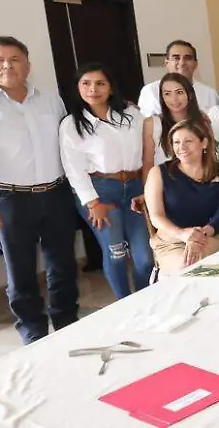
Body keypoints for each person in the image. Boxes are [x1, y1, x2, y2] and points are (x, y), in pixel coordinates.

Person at [0, 36, 79, 343]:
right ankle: (33, 330)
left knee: (62, 263)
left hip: (56, 193)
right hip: (9, 198)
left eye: (15, 59)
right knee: (20, 270)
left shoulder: (49, 100)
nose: (7, 65)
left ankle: (67, 321)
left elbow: (67, 143)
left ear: (28, 65)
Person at [58, 63, 153, 300]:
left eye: (100, 83)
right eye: (86, 83)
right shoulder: (71, 125)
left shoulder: (131, 115)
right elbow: (74, 169)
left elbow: (152, 139)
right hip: (100, 193)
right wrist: (93, 204)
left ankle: (144, 301)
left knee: (144, 257)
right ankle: (125, 304)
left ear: (111, 87)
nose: (93, 89)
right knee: (116, 254)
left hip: (135, 189)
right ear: (78, 88)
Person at [143, 119, 219, 273]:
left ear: (204, 143)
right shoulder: (158, 173)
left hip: (211, 236)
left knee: (204, 262)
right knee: (187, 266)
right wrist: (182, 234)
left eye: (188, 141)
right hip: (172, 239)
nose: (182, 147)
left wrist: (198, 236)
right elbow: (156, 216)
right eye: (176, 142)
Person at [142, 73, 210, 174]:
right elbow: (148, 165)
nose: (174, 99)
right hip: (163, 181)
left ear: (189, 94)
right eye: (167, 94)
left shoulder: (202, 121)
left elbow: (210, 158)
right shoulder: (152, 124)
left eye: (179, 92)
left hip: (199, 180)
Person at [136, 40, 219, 117]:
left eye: (187, 58)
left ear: (195, 63)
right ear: (166, 62)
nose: (182, 62)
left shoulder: (210, 94)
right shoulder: (150, 91)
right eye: (176, 58)